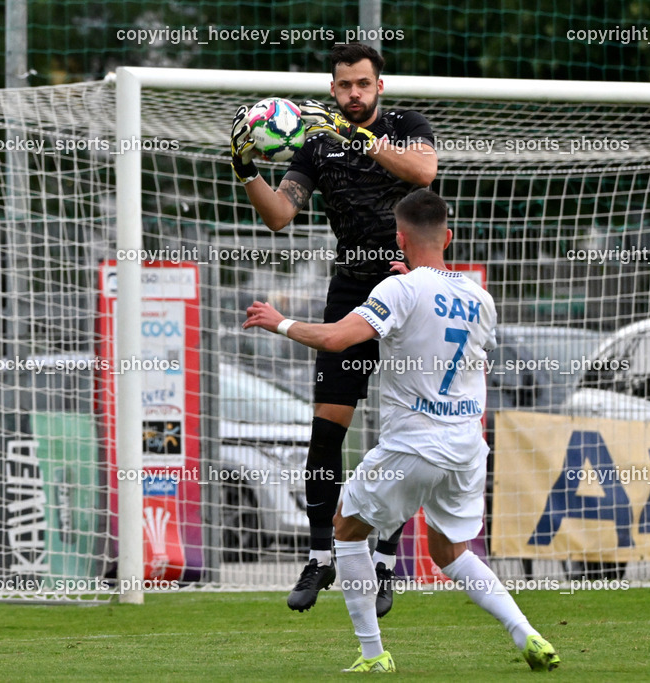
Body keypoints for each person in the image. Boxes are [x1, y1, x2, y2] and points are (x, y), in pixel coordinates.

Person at [243, 189, 561, 673]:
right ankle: (529, 634)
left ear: (399, 239)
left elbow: (336, 338)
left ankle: (374, 655)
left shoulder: (398, 290)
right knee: (449, 552)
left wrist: (279, 321)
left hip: (416, 441)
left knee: (346, 529)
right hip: (467, 446)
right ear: (447, 238)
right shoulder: (480, 298)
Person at [230, 42, 438, 614]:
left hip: (408, 287)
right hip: (350, 289)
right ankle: (320, 558)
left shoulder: (405, 126)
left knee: (405, 435)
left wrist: (359, 137)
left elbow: (424, 171)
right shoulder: (317, 142)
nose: (354, 94)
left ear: (379, 87)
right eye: (344, 85)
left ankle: (385, 564)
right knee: (326, 432)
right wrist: (245, 167)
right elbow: (279, 215)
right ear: (331, 89)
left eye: (363, 84)